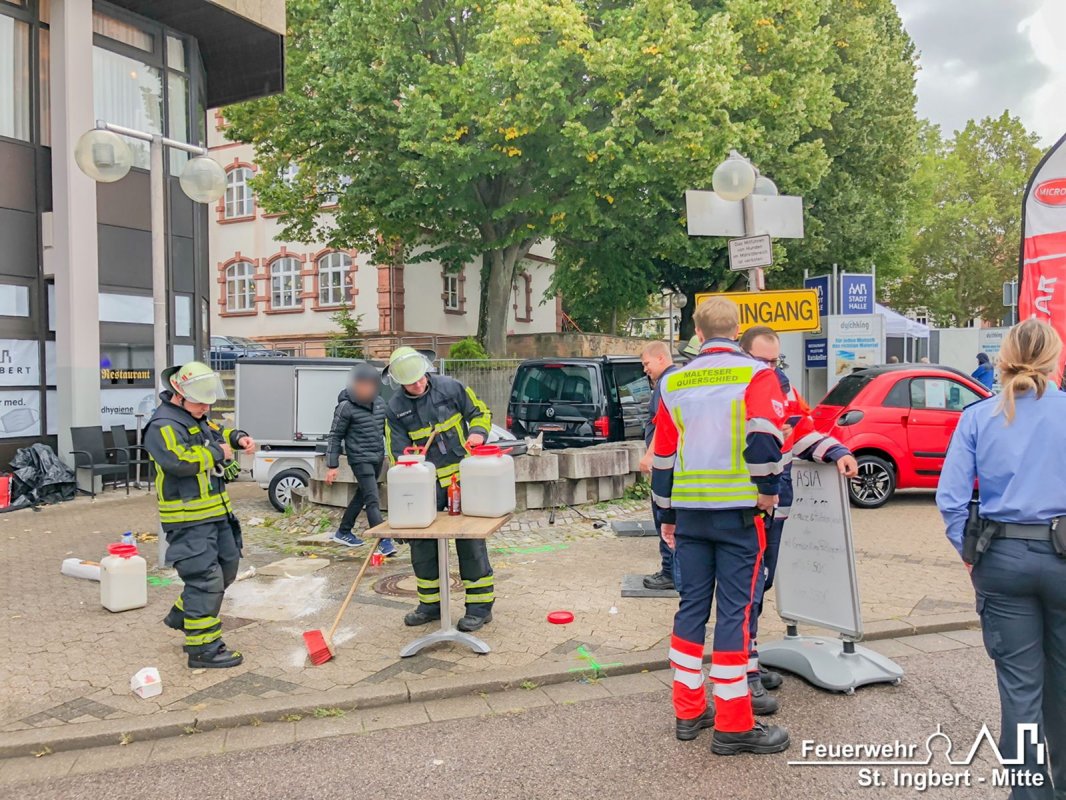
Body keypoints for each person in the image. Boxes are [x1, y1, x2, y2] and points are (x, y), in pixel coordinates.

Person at [651, 298, 791, 754]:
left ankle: (689, 711)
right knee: (733, 614)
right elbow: (765, 437)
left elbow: (664, 455)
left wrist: (667, 516)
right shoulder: (755, 373)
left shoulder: (675, 379)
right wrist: (768, 492)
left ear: (696, 328)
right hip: (738, 514)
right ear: (738, 329)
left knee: (691, 608)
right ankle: (733, 724)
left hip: (690, 513)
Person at [937, 320, 1066, 800]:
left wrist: (970, 555)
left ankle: (1031, 795)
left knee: (1020, 690)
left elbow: (950, 499)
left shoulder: (979, 416)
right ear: (1055, 360)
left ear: (1005, 357)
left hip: (1002, 557)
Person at [738, 326, 857, 711]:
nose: (771, 367)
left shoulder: (782, 386)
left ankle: (748, 660)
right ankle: (745, 672)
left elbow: (801, 433)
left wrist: (837, 451)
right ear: (745, 355)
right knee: (748, 590)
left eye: (776, 361)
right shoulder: (739, 387)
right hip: (749, 504)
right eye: (763, 360)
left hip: (776, 506)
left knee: (761, 586)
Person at [145, 361, 256, 669]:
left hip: (217, 514)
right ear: (178, 393)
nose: (205, 405)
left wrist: (238, 438)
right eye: (199, 400)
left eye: (209, 400)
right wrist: (220, 453)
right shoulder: (163, 425)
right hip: (188, 519)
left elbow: (218, 432)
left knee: (226, 570)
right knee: (205, 581)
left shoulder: (195, 416)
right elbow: (179, 461)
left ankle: (184, 614)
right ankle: (204, 649)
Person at [384, 347, 496, 632]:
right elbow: (396, 454)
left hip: (462, 479)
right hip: (426, 487)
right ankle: (431, 605)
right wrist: (411, 461)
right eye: (411, 382)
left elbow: (480, 411)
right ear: (399, 382)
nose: (419, 384)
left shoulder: (450, 387)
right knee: (422, 545)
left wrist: (478, 433)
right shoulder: (395, 408)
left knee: (469, 542)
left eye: (421, 378)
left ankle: (480, 608)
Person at [324, 363, 394, 555]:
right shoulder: (345, 407)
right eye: (362, 384)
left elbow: (387, 431)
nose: (367, 388)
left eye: (370, 384)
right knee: (372, 498)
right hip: (359, 459)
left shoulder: (380, 403)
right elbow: (335, 435)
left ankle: (343, 531)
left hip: (377, 457)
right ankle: (383, 541)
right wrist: (332, 465)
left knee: (363, 494)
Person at [638, 341, 679, 591]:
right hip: (671, 463)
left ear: (661, 358)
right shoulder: (675, 381)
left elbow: (663, 424)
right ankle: (674, 570)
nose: (645, 370)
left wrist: (649, 456)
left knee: (664, 517)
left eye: (647, 364)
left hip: (664, 464)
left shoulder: (666, 383)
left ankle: (670, 572)